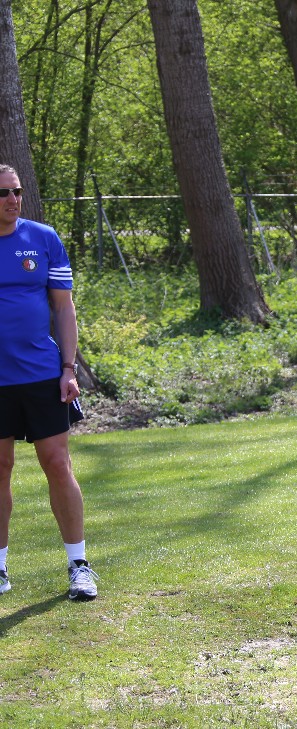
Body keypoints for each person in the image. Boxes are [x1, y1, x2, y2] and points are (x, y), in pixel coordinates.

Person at [0, 163, 98, 600]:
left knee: (58, 464)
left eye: (17, 191)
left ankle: (79, 565)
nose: (13, 200)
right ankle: (0, 569)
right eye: (3, 193)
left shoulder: (43, 238)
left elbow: (63, 307)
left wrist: (68, 368)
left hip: (42, 374)